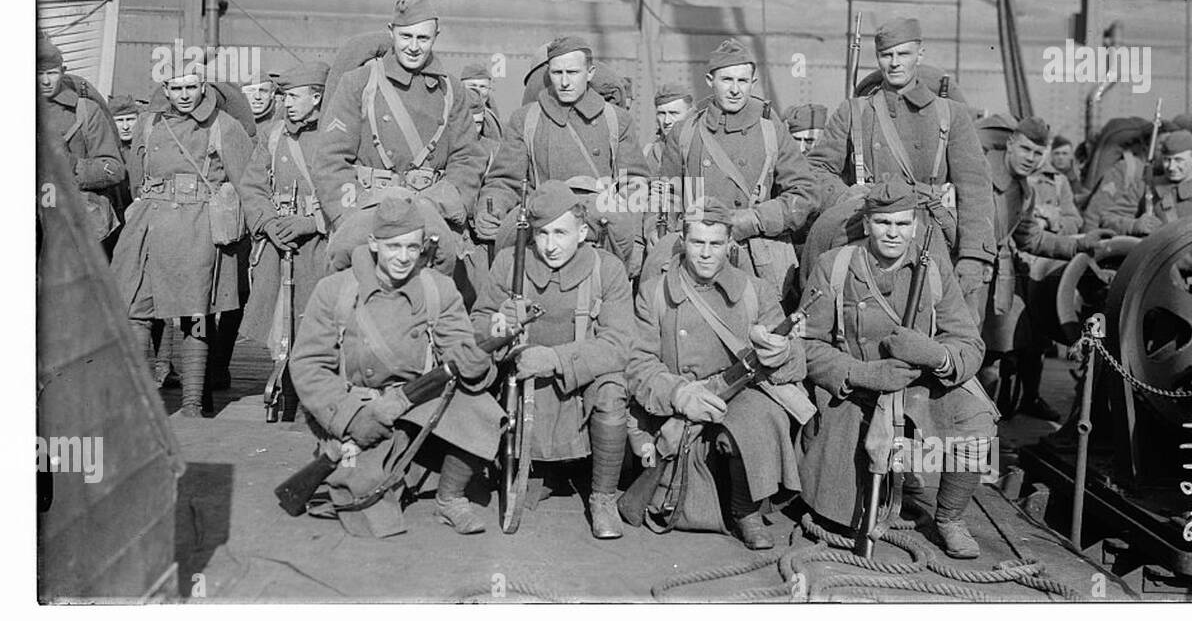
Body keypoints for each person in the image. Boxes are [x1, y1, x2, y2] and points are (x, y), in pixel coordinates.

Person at [800, 178, 995, 558]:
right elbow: (807, 343)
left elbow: (969, 344)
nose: (893, 233)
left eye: (902, 224)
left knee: (978, 416)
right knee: (842, 516)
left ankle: (950, 518)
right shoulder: (836, 265)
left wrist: (934, 355)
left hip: (918, 387)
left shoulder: (933, 268)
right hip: (854, 391)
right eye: (883, 223)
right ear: (868, 222)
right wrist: (862, 374)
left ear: (915, 226)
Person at [290, 192, 500, 537]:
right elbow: (309, 365)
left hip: (418, 401)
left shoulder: (439, 290)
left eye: (412, 248)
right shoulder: (335, 290)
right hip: (359, 405)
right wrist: (350, 417)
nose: (403, 258)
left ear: (423, 248)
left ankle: (450, 497)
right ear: (374, 244)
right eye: (393, 247)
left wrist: (477, 362)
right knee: (373, 517)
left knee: (482, 409)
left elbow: (458, 348)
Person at [626, 197, 808, 549]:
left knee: (762, 415)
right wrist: (680, 394)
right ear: (683, 241)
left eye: (715, 244)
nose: (706, 253)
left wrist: (782, 351)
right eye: (697, 243)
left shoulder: (756, 291)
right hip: (680, 403)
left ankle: (746, 510)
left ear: (730, 244)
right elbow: (638, 365)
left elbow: (797, 361)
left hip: (737, 396)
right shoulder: (654, 294)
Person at [804, 18, 996, 322]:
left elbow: (976, 189)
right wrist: (849, 196)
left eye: (903, 54)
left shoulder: (950, 115)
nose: (894, 63)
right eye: (886, 55)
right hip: (867, 226)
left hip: (926, 232)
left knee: (948, 322)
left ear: (919, 54)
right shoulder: (853, 111)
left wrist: (974, 256)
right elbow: (817, 170)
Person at [471, 181, 634, 539]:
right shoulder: (508, 263)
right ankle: (535, 471)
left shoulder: (606, 270)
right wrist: (501, 325)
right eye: (541, 234)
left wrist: (555, 359)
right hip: (524, 376)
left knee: (612, 390)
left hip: (580, 378)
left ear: (583, 231)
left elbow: (618, 344)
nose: (549, 245)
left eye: (560, 233)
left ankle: (603, 497)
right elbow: (478, 325)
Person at [112, 66, 254, 416]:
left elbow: (246, 183)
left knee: (196, 313)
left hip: (197, 226)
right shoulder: (149, 123)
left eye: (192, 86)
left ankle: (192, 404)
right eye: (177, 88)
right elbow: (136, 179)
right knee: (136, 309)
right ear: (166, 88)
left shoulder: (224, 126)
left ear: (203, 85)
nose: (185, 95)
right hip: (149, 224)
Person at [656, 38, 819, 298]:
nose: (735, 90)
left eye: (742, 81)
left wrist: (750, 219)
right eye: (727, 80)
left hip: (753, 260)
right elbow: (665, 197)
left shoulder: (770, 128)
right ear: (710, 81)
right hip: (698, 257)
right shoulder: (685, 132)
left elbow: (805, 194)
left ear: (753, 83)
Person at [474, 35, 649, 275]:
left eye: (573, 72)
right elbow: (505, 180)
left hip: (598, 235)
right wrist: (491, 208)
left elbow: (634, 183)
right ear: (549, 73)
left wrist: (630, 233)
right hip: (543, 234)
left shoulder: (616, 120)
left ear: (590, 73)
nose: (565, 82)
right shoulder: (526, 120)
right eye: (557, 73)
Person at [315, 0, 488, 234]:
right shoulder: (358, 83)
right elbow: (330, 160)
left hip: (431, 220)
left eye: (423, 38)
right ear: (392, 32)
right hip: (368, 219)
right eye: (406, 36)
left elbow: (468, 158)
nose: (414, 47)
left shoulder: (452, 91)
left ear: (436, 36)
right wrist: (351, 218)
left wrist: (439, 206)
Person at [981, 117, 1114, 414]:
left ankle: (975, 432)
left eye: (1037, 153)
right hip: (961, 280)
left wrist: (1079, 244)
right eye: (1026, 149)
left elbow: (1031, 239)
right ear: (1011, 144)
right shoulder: (978, 175)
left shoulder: (1024, 191)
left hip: (995, 283)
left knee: (989, 361)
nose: (1031, 158)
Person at [238, 62, 333, 408]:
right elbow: (253, 186)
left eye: (294, 96)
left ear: (317, 97)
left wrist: (312, 222)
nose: (287, 103)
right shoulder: (274, 133)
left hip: (321, 249)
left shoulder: (337, 134)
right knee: (282, 328)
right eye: (285, 96)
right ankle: (287, 398)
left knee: (318, 329)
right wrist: (268, 223)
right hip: (280, 246)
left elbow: (349, 191)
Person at [38, 34, 126, 245]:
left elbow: (114, 169)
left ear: (63, 71)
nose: (45, 81)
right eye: (38, 73)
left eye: (52, 73)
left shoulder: (85, 111)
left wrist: (73, 165)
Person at [1102, 129, 1192, 235]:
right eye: (1167, 160)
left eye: (1178, 160)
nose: (1171, 167)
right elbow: (1108, 218)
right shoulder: (1146, 187)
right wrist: (1133, 225)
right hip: (1156, 254)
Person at [645, 84, 694, 173]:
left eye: (674, 113)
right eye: (662, 113)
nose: (667, 121)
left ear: (690, 114)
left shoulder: (699, 149)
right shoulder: (648, 152)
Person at [242, 73, 280, 147]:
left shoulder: (280, 120)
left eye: (263, 91)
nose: (257, 96)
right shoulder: (230, 119)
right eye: (250, 91)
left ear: (272, 94)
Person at [1049, 134, 1087, 207]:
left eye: (1064, 153)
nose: (1060, 157)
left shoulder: (1073, 177)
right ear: (1052, 156)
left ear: (1071, 156)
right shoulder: (1045, 176)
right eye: (1057, 153)